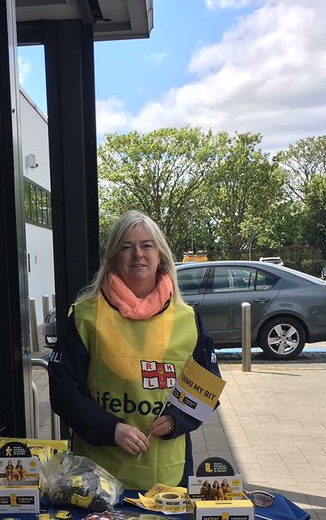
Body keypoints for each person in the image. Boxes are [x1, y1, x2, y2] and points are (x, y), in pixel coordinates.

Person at [49, 210, 219, 492]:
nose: (138, 254)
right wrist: (111, 429)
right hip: (97, 478)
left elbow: (207, 385)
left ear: (160, 255)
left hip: (169, 475)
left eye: (146, 245)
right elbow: (63, 391)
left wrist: (177, 420)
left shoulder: (187, 318)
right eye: (126, 247)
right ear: (112, 258)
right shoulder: (85, 316)